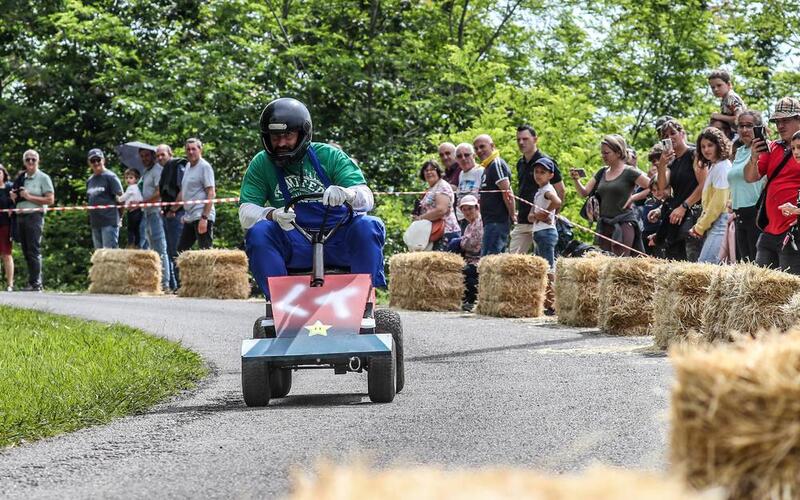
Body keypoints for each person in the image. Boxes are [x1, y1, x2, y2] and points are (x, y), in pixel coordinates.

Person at [239, 97, 386, 300]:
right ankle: (279, 302)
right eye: (275, 137)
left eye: (288, 135)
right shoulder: (261, 163)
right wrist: (271, 214)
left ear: (303, 134)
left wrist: (347, 194)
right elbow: (245, 213)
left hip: (338, 238)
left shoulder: (330, 156)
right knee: (259, 232)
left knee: (369, 224)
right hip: (294, 240)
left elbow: (367, 198)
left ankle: (363, 301)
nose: (281, 143)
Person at [571, 134, 650, 256]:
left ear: (618, 153)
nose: (603, 156)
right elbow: (584, 192)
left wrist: (633, 197)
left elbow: (653, 187)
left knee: (619, 265)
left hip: (623, 224)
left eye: (606, 153)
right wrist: (576, 180)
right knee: (604, 264)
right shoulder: (602, 172)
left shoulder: (629, 172)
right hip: (604, 225)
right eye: (602, 153)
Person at [746, 97, 800, 273]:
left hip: (793, 231)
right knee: (759, 288)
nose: (780, 126)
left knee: (791, 291)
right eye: (777, 121)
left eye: (785, 120)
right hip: (769, 229)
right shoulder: (773, 147)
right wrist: (754, 157)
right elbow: (750, 178)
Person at [510, 125, 565, 254]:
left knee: (544, 263)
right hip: (524, 218)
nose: (521, 142)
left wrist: (552, 214)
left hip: (543, 222)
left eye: (525, 139)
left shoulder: (547, 162)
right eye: (518, 139)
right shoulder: (520, 163)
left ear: (535, 139)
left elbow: (560, 190)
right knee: (511, 260)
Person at [655, 119, 704, 261]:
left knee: (691, 261)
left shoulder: (694, 154)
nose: (669, 138)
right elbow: (662, 188)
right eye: (665, 136)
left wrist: (684, 206)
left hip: (693, 214)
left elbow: (703, 185)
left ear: (682, 134)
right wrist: (662, 164)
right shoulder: (672, 161)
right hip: (676, 217)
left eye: (672, 133)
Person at [9, 149, 54, 291]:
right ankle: (31, 281)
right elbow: (17, 196)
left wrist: (29, 197)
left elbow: (50, 199)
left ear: (38, 161)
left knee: (34, 249)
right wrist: (14, 197)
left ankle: (37, 283)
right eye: (28, 159)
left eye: (33, 159)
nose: (30, 162)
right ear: (24, 162)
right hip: (20, 216)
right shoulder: (21, 178)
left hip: (34, 216)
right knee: (25, 250)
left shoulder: (43, 178)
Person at [687, 128, 732, 263]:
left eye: (710, 145)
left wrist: (699, 227)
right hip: (714, 222)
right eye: (703, 146)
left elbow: (718, 204)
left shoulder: (722, 167)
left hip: (720, 222)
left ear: (719, 145)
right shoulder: (715, 166)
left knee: (705, 265)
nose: (706, 150)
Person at [727, 110, 765, 262]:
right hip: (739, 214)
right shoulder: (739, 151)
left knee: (758, 267)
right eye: (741, 126)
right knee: (745, 265)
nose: (744, 130)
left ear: (759, 128)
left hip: (756, 213)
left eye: (749, 126)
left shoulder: (764, 149)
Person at [474, 134, 515, 255]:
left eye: (482, 147)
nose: (479, 151)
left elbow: (507, 191)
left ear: (492, 146)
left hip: (498, 221)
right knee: (488, 260)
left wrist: (513, 215)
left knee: (489, 260)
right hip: (489, 222)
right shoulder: (487, 167)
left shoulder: (496, 164)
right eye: (476, 148)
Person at [139, 147, 171, 289]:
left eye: (147, 155)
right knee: (152, 248)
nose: (144, 158)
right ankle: (156, 282)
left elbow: (159, 192)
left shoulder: (158, 170)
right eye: (142, 156)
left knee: (160, 247)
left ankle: (165, 283)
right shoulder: (146, 172)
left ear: (152, 156)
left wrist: (144, 202)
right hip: (147, 213)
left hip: (156, 213)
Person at [157, 144, 187, 290]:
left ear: (170, 153)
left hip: (178, 214)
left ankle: (183, 285)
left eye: (162, 154)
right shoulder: (166, 170)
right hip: (168, 215)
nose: (160, 158)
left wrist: (173, 208)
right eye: (158, 156)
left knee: (176, 251)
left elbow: (183, 190)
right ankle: (176, 286)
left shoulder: (177, 167)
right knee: (170, 252)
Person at [177, 138, 216, 251]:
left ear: (200, 150)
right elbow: (184, 192)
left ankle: (208, 270)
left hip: (201, 215)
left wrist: (204, 218)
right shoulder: (188, 166)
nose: (190, 152)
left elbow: (211, 192)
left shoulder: (205, 167)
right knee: (181, 251)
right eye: (188, 149)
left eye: (193, 149)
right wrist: (171, 209)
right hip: (190, 216)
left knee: (205, 251)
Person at [447, 195, 482, 312]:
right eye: (464, 209)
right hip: (468, 258)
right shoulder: (468, 226)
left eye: (470, 208)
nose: (467, 212)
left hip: (477, 259)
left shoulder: (480, 223)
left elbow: (472, 244)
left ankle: (472, 300)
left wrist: (460, 242)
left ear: (477, 208)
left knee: (468, 271)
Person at [414, 160, 460, 249]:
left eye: (432, 169)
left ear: (438, 171)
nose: (429, 172)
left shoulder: (442, 186)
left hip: (446, 232)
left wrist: (421, 218)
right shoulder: (431, 189)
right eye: (426, 170)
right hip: (434, 233)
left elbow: (441, 210)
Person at [85, 148, 123, 249]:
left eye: (98, 159)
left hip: (109, 221)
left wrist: (120, 217)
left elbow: (121, 199)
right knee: (99, 256)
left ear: (103, 160)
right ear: (89, 163)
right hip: (95, 222)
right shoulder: (90, 180)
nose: (96, 163)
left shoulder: (111, 177)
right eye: (93, 160)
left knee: (109, 255)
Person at [454, 142, 483, 232]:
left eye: (466, 155)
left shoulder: (480, 171)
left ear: (473, 156)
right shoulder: (461, 173)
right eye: (459, 156)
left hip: (476, 218)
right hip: (462, 218)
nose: (463, 158)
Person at [708, 69, 746, 138]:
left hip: (741, 135)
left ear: (729, 84)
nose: (715, 89)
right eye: (712, 87)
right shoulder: (724, 99)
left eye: (719, 85)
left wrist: (719, 116)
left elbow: (740, 118)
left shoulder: (731, 97)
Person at [118, 168, 144, 248]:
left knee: (131, 229)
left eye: (131, 178)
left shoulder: (132, 188)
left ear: (136, 179)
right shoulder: (136, 188)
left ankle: (131, 244)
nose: (128, 180)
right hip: (137, 210)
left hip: (133, 211)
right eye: (126, 178)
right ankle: (136, 244)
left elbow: (125, 197)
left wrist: (118, 198)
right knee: (136, 229)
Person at [0, 165, 14, 291]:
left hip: (5, 225)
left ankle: (10, 284)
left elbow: (15, 202)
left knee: (6, 254)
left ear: (3, 174)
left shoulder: (9, 187)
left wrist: (12, 207)